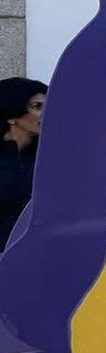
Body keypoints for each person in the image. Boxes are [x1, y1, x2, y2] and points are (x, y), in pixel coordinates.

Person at [0, 78, 46, 252]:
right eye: (37, 107)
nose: (46, 112)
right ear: (12, 117)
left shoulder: (46, 156)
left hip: (35, 251)